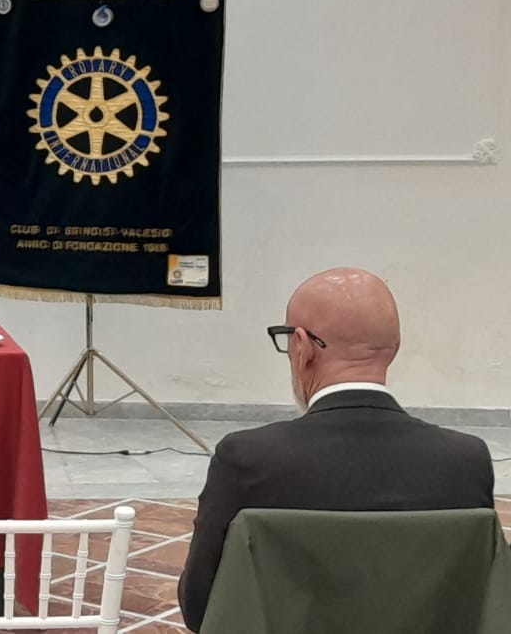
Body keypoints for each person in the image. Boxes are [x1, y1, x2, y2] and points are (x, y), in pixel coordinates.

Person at [178, 267, 494, 632]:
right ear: (394, 349)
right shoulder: (466, 461)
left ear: (302, 347)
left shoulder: (247, 459)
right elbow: (478, 602)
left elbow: (201, 606)